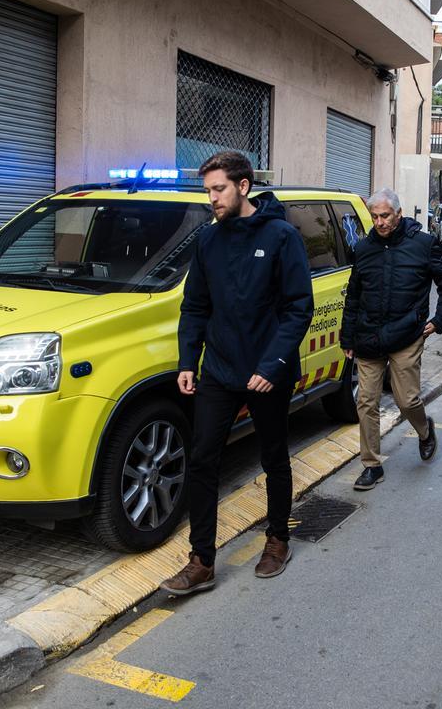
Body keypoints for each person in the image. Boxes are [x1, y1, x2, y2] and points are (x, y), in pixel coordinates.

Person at [161, 151, 313, 596]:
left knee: (273, 457)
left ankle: (278, 539)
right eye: (208, 190)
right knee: (203, 458)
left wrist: (272, 365)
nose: (212, 198)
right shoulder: (209, 241)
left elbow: (297, 308)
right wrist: (188, 361)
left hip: (268, 372)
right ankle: (201, 560)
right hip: (220, 370)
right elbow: (195, 307)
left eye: (219, 189)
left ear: (243, 186)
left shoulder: (282, 236)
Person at [342, 188, 442, 490]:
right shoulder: (364, 248)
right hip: (368, 337)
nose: (379, 222)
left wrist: (440, 320)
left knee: (407, 399)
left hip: (408, 334)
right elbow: (353, 295)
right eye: (375, 216)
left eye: (385, 216)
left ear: (399, 214)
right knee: (366, 401)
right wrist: (348, 337)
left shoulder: (423, 244)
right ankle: (371, 465)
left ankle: (424, 430)